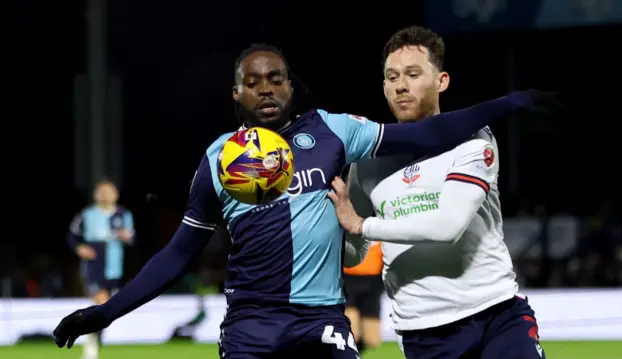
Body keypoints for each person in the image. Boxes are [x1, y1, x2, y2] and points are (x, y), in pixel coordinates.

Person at [53, 43, 553, 359]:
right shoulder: (218, 160)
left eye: (276, 79)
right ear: (236, 93)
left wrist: (509, 103)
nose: (266, 89)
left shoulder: (334, 133)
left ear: (291, 86)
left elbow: (428, 134)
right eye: (253, 82)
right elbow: (178, 253)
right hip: (250, 323)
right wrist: (106, 313)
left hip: (322, 321)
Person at [329, 26, 546, 359]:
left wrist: (363, 226)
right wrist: (325, 233)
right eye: (392, 77)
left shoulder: (473, 138)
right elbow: (357, 251)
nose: (401, 85)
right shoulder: (365, 165)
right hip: (423, 331)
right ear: (384, 87)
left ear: (442, 81)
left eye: (413, 74)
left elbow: (447, 225)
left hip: (496, 315)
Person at [67, 179, 135, 359]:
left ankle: (95, 340)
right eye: (101, 191)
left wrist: (125, 236)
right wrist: (80, 248)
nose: (105, 195)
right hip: (94, 265)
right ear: (95, 195)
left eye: (109, 191)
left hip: (115, 266)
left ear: (116, 194)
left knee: (107, 309)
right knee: (100, 303)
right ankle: (90, 347)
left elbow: (132, 238)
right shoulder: (86, 215)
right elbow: (72, 236)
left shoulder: (123, 214)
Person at [342, 241, 384, 353]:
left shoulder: (383, 233)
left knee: (372, 340)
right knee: (351, 333)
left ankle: (354, 354)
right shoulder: (349, 229)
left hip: (373, 285)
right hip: (348, 281)